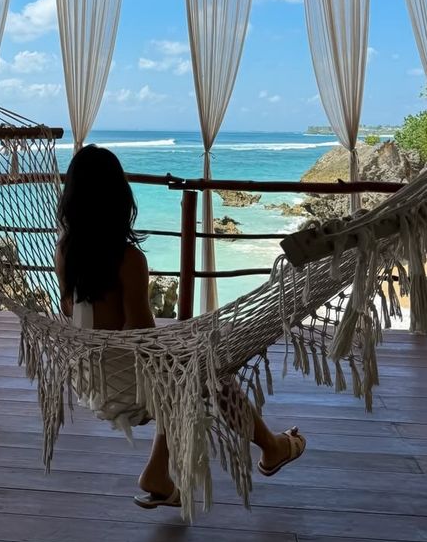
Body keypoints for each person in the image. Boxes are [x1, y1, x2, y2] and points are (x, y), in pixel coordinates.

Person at [54, 144, 306, 509]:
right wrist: (195, 343)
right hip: (126, 387)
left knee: (197, 367)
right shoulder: (128, 260)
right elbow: (146, 336)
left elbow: (69, 313)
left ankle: (164, 470)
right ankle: (272, 447)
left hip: (89, 378)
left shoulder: (64, 251)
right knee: (209, 371)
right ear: (119, 199)